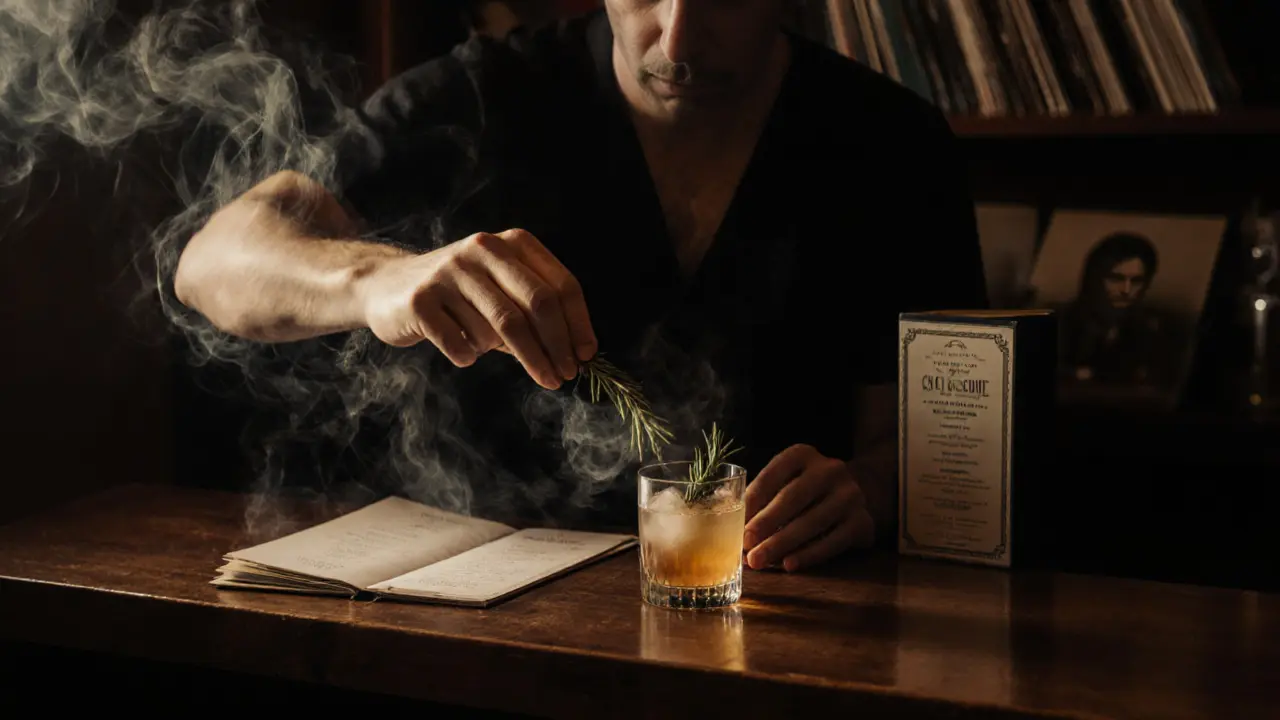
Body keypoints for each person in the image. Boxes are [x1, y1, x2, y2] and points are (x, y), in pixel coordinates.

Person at [172, 1, 988, 573]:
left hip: (770, 621)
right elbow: (212, 262)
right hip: (475, 627)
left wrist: (872, 489)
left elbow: (937, 446)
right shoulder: (484, 94)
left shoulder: (891, 146)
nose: (678, 37)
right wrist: (379, 277)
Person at [1058, 232, 1183, 391]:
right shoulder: (1063, 322)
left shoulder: (1153, 329)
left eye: (1136, 281)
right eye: (1116, 278)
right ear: (1095, 278)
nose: (1126, 290)